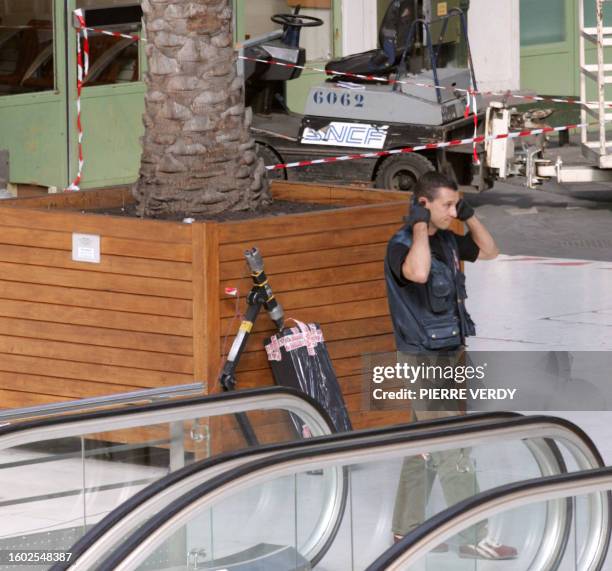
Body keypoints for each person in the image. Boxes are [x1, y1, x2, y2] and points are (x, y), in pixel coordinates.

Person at [384, 172, 518, 560]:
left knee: (422, 445)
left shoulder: (447, 239)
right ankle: (473, 534)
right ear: (422, 204)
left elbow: (490, 251)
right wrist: (420, 228)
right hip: (421, 358)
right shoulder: (401, 244)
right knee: (451, 446)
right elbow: (419, 273)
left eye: (456, 203)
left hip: (450, 354)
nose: (452, 210)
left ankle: (404, 530)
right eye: (446, 204)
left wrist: (470, 217)